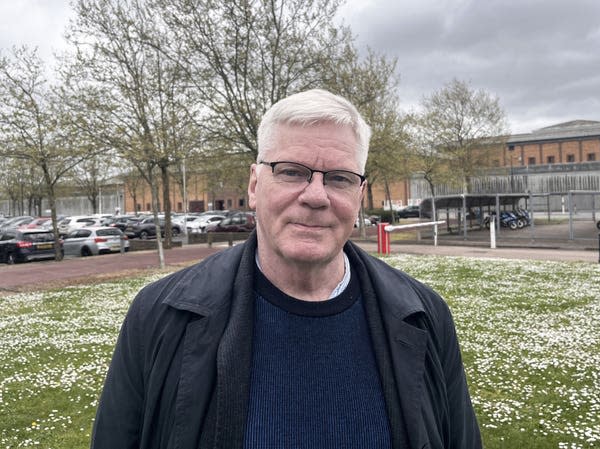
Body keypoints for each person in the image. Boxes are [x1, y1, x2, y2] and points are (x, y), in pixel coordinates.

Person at [91, 88, 482, 449]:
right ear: (255, 184)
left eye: (339, 178)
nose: (315, 196)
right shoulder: (162, 315)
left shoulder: (423, 317)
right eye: (291, 171)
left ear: (360, 196)